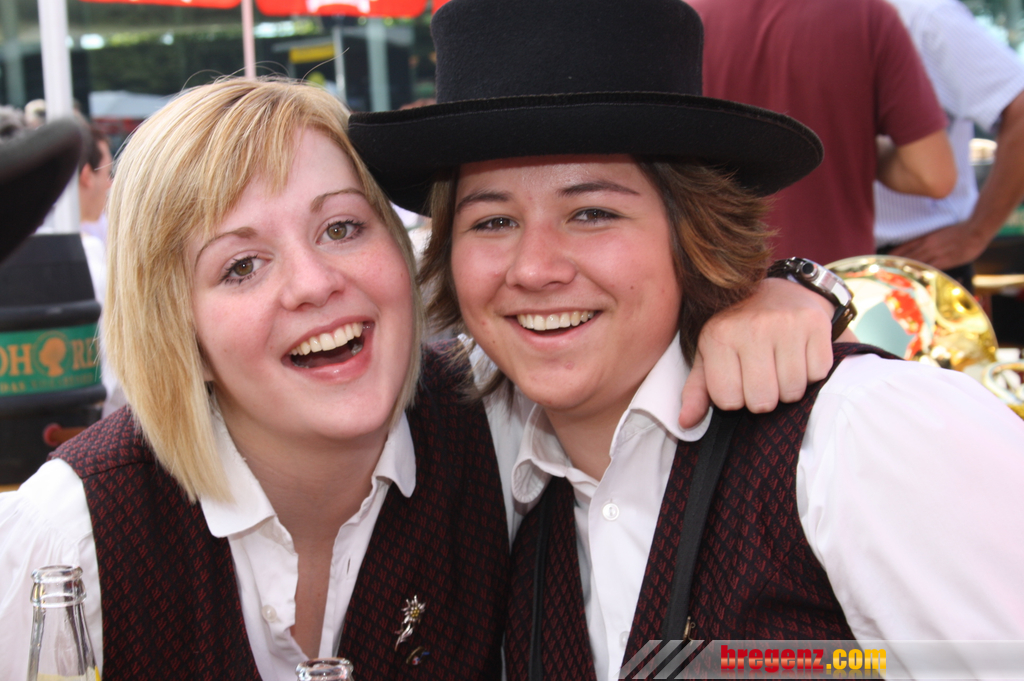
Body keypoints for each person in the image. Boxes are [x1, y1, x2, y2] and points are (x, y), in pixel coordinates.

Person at [0, 77, 843, 680]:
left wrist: (780, 293)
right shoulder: (69, 535)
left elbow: (612, 331)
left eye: (341, 227)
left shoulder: (496, 415)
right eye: (241, 266)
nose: (313, 283)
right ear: (173, 322)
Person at [347, 0, 1024, 679]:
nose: (534, 268)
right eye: (492, 222)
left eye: (592, 212)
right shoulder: (480, 456)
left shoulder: (859, 440)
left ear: (691, 228)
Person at [686, 0, 956, 265]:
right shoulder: (868, 16)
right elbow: (932, 175)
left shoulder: (688, 18)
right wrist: (856, 147)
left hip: (715, 273)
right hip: (828, 280)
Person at [874, 0, 1024, 290]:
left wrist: (976, 233)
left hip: (915, 263)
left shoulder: (924, 14)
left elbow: (1020, 106)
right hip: (823, 255)